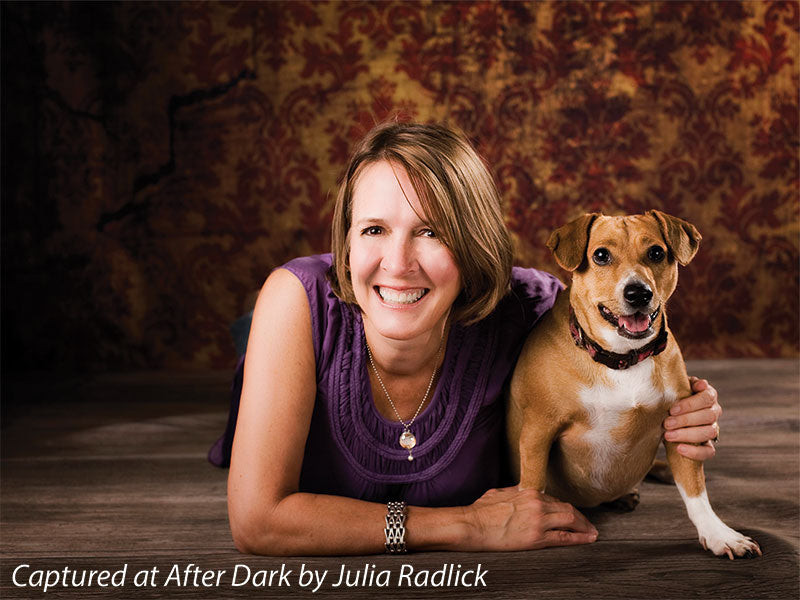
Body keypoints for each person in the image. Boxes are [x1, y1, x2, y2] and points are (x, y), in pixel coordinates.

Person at [225, 122, 722, 555]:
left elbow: (626, 345)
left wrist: (687, 411)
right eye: (374, 229)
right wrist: (467, 525)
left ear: (473, 240)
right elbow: (258, 522)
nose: (398, 263)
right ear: (347, 238)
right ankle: (251, 336)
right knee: (262, 330)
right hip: (306, 328)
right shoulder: (294, 298)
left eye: (431, 232)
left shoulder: (534, 309)